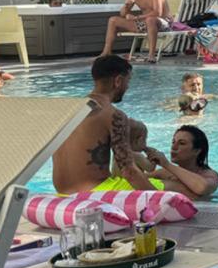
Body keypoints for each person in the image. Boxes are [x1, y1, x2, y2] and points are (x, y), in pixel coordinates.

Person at [52, 55, 156, 193]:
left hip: (62, 194)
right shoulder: (114, 115)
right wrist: (160, 198)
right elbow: (129, 172)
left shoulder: (67, 109)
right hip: (96, 193)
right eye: (128, 81)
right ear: (118, 81)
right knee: (174, 188)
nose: (128, 86)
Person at [99, 0, 169, 60]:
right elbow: (122, 14)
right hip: (144, 24)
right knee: (113, 20)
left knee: (150, 20)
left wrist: (136, 18)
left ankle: (151, 55)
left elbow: (158, 12)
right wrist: (127, 5)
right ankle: (106, 52)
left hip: (162, 23)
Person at [144, 126, 218, 200]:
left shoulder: (210, 175)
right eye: (173, 142)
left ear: (197, 151)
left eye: (182, 143)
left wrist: (166, 164)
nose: (174, 147)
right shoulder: (164, 173)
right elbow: (137, 179)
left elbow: (202, 188)